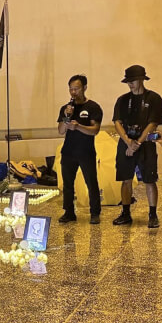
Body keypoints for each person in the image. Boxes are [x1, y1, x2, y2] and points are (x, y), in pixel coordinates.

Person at [112, 65, 162, 228]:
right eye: (128, 81)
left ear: (142, 79)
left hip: (146, 143)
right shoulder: (122, 100)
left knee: (150, 179)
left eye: (133, 81)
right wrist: (128, 141)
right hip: (126, 143)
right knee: (125, 179)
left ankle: (153, 214)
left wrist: (138, 142)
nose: (130, 84)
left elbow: (153, 123)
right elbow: (117, 122)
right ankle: (126, 212)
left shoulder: (153, 98)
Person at [57, 75, 103, 224]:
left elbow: (94, 130)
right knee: (68, 184)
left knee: (91, 182)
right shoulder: (66, 108)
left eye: (76, 89)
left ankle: (95, 212)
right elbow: (61, 131)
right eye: (70, 89)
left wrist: (78, 126)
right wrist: (66, 117)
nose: (73, 92)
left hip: (86, 151)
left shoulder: (93, 107)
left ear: (84, 88)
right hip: (69, 151)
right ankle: (69, 212)